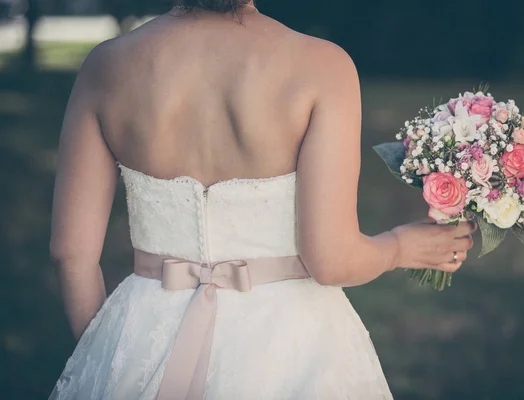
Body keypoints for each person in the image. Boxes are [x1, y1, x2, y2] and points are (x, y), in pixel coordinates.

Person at [48, 1, 476, 398]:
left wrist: (104, 356)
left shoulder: (107, 66)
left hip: (143, 327)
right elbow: (331, 260)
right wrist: (399, 246)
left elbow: (72, 255)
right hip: (291, 345)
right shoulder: (321, 66)